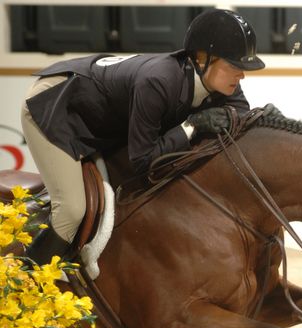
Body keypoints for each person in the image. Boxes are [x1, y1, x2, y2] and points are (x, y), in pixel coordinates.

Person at [21, 8, 267, 265]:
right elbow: (142, 160)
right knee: (72, 210)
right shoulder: (158, 81)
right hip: (56, 107)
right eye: (235, 66)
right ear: (203, 58)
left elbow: (240, 118)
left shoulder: (223, 83)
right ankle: (27, 281)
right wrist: (191, 126)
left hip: (100, 116)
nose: (242, 75)